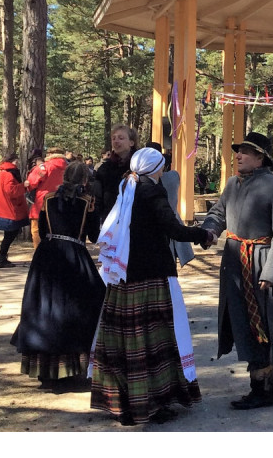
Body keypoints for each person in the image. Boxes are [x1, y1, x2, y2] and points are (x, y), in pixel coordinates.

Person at [90, 147, 212, 426]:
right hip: (152, 276)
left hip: (124, 276)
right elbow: (174, 229)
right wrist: (203, 234)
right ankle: (152, 403)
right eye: (162, 166)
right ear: (156, 167)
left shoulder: (127, 186)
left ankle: (123, 402)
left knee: (124, 340)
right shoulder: (151, 191)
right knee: (152, 340)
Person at [201, 131, 273, 410]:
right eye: (237, 151)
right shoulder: (231, 184)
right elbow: (218, 213)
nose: (238, 155)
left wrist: (271, 272)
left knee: (261, 325)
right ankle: (271, 384)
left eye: (245, 152)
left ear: (260, 157)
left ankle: (262, 388)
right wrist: (209, 231)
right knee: (242, 321)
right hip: (234, 261)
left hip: (261, 265)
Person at [10, 161, 105, 390]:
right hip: (74, 257)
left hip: (47, 256)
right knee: (85, 305)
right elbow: (93, 235)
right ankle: (75, 365)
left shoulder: (49, 199)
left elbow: (42, 231)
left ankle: (46, 367)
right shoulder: (87, 203)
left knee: (45, 308)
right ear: (85, 180)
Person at [92, 124, 138, 224]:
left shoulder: (141, 166)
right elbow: (97, 198)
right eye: (113, 138)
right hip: (110, 222)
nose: (116, 141)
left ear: (131, 142)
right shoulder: (104, 168)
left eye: (121, 138)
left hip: (135, 223)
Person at [0, 152, 30, 268]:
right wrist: (23, 186)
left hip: (5, 207)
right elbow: (11, 191)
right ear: (11, 161)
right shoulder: (9, 174)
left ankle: (1, 256)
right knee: (10, 234)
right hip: (9, 209)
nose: (17, 163)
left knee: (10, 234)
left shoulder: (2, 173)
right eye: (16, 161)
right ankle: (2, 257)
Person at [24, 147, 67, 249]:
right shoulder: (69, 167)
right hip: (62, 204)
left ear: (51, 154)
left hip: (43, 203)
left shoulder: (44, 167)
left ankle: (39, 256)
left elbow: (32, 182)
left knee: (37, 230)